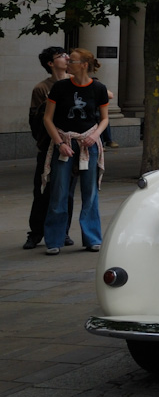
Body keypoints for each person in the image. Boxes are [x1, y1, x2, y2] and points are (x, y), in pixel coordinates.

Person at [41, 48, 109, 255]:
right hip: (65, 142)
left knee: (90, 194)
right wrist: (60, 142)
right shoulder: (60, 87)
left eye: (72, 60)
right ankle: (54, 240)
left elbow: (105, 118)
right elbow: (47, 118)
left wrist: (95, 135)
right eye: (68, 60)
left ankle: (92, 239)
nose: (68, 62)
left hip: (88, 143)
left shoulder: (98, 88)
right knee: (59, 192)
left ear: (84, 65)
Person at [24, 47, 76, 250]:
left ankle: (63, 231)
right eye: (61, 56)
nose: (66, 58)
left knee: (67, 192)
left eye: (67, 55)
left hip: (71, 145)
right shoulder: (41, 88)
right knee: (42, 190)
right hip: (48, 146)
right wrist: (44, 142)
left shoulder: (76, 83)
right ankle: (36, 232)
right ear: (50, 63)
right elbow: (35, 121)